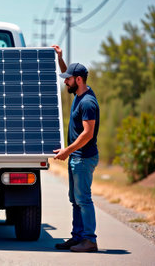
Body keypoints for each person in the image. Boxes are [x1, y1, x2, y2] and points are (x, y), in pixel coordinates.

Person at [52, 45, 100, 252]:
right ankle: (78, 237)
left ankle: (89, 240)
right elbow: (68, 74)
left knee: (83, 199)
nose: (65, 82)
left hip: (83, 158)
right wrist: (61, 58)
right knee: (75, 200)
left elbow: (87, 134)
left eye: (69, 79)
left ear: (78, 80)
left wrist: (67, 151)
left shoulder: (88, 102)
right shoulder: (80, 95)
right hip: (76, 157)